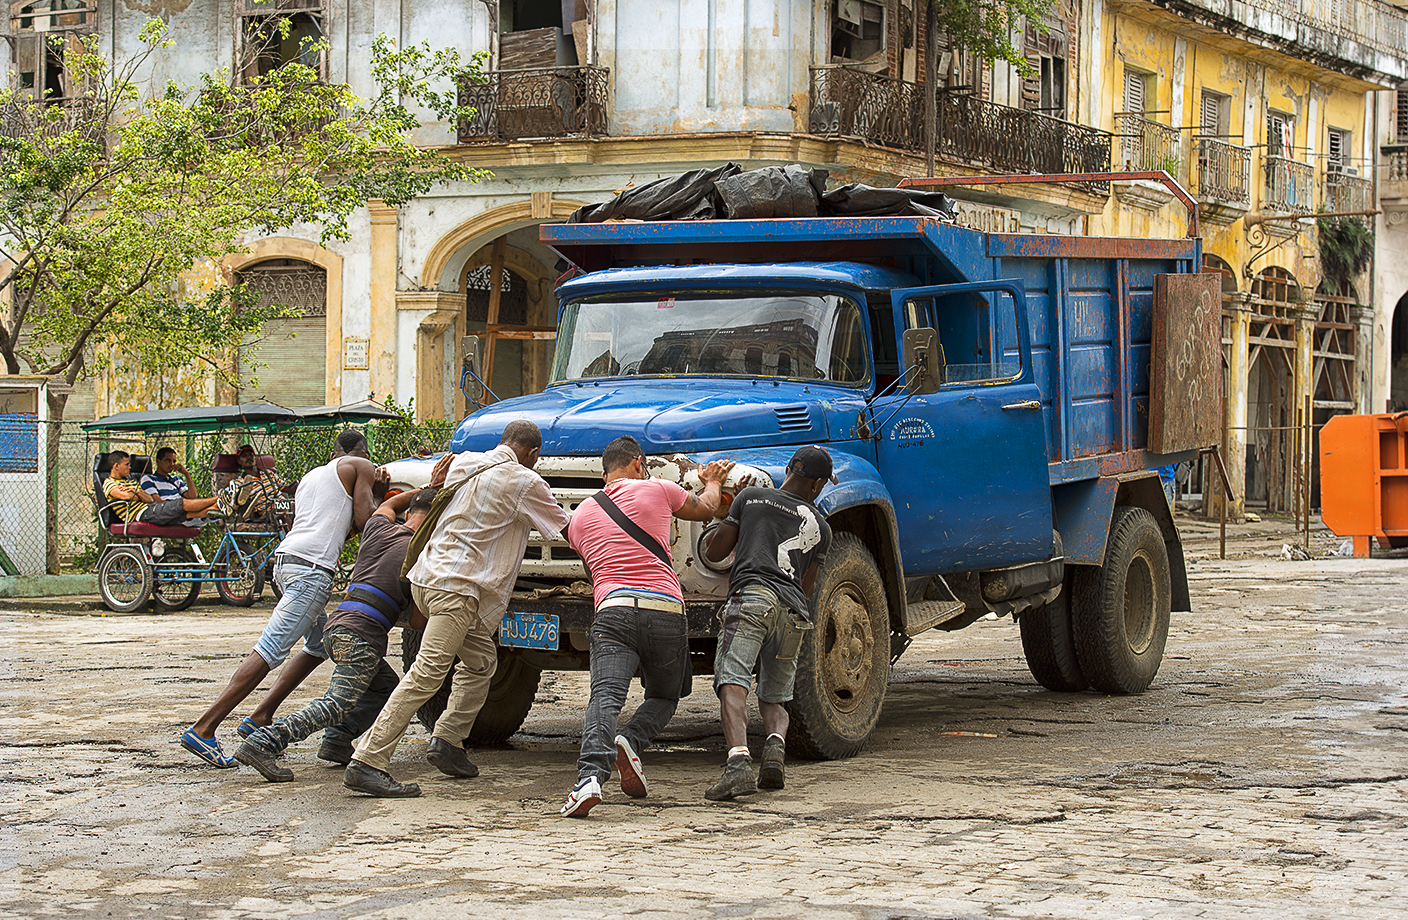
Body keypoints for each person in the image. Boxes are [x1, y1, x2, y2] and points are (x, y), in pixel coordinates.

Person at [344, 420, 569, 798]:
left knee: (482, 661)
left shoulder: (464, 462)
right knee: (427, 674)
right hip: (458, 588)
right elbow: (566, 527)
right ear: (532, 454)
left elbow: (437, 484)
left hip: (427, 578)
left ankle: (448, 739)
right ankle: (368, 759)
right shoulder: (524, 481)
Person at [179, 430, 387, 768]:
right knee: (270, 650)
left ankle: (261, 716)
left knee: (318, 646)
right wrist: (378, 492)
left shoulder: (314, 477)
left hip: (286, 562)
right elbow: (366, 522)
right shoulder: (362, 465)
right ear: (361, 451)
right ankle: (204, 728)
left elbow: (335, 526)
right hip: (311, 572)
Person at [558, 435, 733, 818]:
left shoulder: (582, 515)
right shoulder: (659, 489)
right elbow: (706, 508)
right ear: (639, 463)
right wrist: (714, 480)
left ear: (605, 476)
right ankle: (632, 739)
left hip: (613, 611)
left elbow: (591, 566)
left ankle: (589, 779)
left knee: (604, 697)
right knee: (667, 694)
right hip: (666, 610)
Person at [233, 487, 436, 781]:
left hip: (338, 625)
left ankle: (337, 741)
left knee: (386, 685)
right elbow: (418, 622)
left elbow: (390, 503)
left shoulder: (378, 528)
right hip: (362, 636)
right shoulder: (421, 554)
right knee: (336, 704)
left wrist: (422, 488)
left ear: (408, 513)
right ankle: (264, 742)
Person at [701, 446, 835, 801]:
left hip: (753, 598)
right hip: (793, 612)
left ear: (790, 468)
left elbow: (714, 552)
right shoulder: (821, 526)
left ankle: (738, 765)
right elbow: (808, 586)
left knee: (733, 680)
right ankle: (775, 752)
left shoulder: (752, 498)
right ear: (818, 484)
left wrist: (726, 519)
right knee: (776, 695)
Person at [103, 450, 219, 526]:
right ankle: (218, 499)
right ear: (116, 466)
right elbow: (127, 496)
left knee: (189, 515)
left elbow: (148, 499)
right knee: (181, 504)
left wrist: (136, 491)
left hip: (151, 509)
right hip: (143, 514)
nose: (130, 467)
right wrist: (137, 493)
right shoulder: (109, 483)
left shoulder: (131, 482)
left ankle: (220, 506)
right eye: (126, 464)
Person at [220, 444, 292, 521]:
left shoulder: (269, 473)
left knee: (296, 506)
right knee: (282, 511)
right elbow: (235, 503)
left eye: (251, 455)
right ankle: (290, 532)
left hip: (283, 504)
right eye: (244, 456)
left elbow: (286, 488)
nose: (248, 457)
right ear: (239, 461)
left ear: (255, 458)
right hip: (266, 513)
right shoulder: (239, 483)